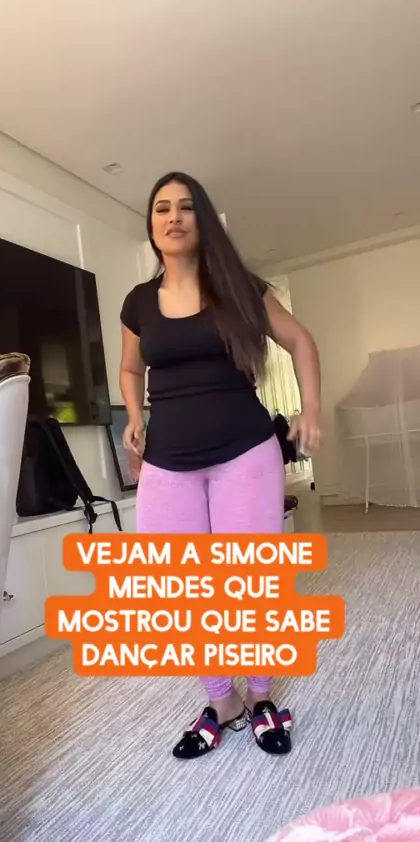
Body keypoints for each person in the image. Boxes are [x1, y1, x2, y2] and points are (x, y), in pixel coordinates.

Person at [119, 172, 323, 761]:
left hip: (245, 453)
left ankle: (260, 696)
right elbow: (131, 369)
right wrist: (133, 416)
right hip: (168, 461)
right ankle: (221, 700)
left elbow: (300, 341)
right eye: (162, 208)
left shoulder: (239, 287)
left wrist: (311, 410)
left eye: (186, 207)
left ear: (202, 220)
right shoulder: (138, 302)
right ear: (152, 224)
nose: (173, 216)